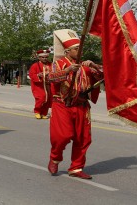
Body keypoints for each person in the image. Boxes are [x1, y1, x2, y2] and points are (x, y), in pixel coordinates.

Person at [47, 29, 103, 180]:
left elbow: (104, 75)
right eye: (76, 49)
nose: (79, 51)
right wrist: (68, 70)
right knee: (62, 136)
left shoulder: (85, 66)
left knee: (83, 138)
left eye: (80, 49)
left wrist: (95, 66)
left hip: (82, 106)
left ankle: (76, 168)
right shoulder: (58, 64)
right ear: (67, 51)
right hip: (62, 104)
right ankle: (55, 157)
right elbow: (51, 78)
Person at [28, 49, 53, 119]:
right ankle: (37, 111)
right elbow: (31, 75)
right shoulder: (35, 65)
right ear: (39, 58)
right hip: (39, 86)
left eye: (46, 57)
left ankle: (44, 113)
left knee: (48, 99)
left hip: (48, 85)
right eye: (43, 57)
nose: (45, 59)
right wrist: (38, 75)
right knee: (41, 98)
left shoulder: (51, 64)